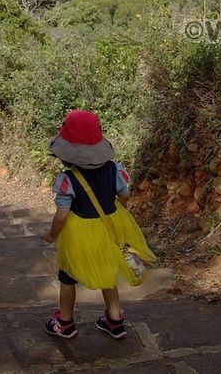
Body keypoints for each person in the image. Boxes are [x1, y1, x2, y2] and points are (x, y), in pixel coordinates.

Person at [40, 109, 156, 340]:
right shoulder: (115, 169)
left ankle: (64, 322)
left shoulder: (66, 179)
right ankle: (115, 320)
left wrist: (52, 234)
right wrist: (113, 207)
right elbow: (125, 195)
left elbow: (62, 215)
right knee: (108, 272)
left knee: (67, 277)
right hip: (109, 227)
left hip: (78, 234)